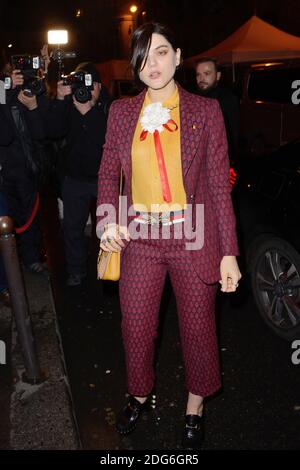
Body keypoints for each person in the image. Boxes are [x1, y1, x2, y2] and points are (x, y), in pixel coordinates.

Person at [97, 22, 241, 449]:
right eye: (143, 56)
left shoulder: (205, 111)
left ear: (178, 56)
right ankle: (139, 393)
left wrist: (229, 252)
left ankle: (194, 405)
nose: (152, 63)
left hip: (193, 233)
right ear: (135, 66)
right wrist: (108, 223)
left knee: (198, 328)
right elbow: (107, 174)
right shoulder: (121, 113)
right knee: (136, 327)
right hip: (139, 235)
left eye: (161, 52)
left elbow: (217, 186)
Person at [46, 62, 111, 286]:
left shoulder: (109, 107)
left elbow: (108, 139)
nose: (86, 90)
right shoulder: (69, 105)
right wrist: (60, 99)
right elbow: (52, 131)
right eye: (81, 84)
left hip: (104, 179)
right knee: (73, 228)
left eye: (90, 85)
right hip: (74, 178)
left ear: (99, 87)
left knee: (108, 229)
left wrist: (89, 113)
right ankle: (76, 269)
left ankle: (110, 269)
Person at [195, 57, 240, 165]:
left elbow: (233, 135)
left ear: (218, 76)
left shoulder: (228, 99)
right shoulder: (193, 99)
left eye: (207, 73)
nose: (201, 78)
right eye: (198, 74)